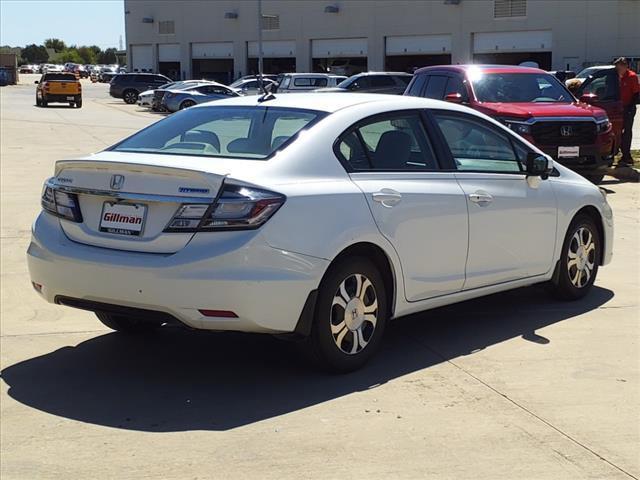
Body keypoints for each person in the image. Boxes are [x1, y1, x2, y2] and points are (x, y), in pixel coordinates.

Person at [614, 57, 640, 167]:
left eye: (620, 67)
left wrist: (630, 107)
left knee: (627, 131)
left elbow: (637, 94)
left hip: (628, 107)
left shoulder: (632, 77)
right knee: (616, 130)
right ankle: (618, 152)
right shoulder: (613, 77)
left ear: (625, 66)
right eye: (617, 67)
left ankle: (626, 154)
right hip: (615, 107)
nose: (618, 69)